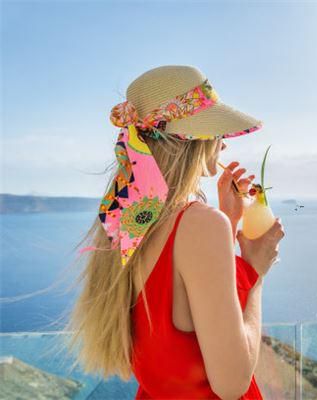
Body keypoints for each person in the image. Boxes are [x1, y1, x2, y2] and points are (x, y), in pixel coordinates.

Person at [65, 65, 285, 399]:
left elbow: (176, 310)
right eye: (217, 132)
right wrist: (255, 273)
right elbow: (231, 384)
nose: (223, 144)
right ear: (193, 139)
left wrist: (228, 223)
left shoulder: (127, 218)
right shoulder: (200, 225)